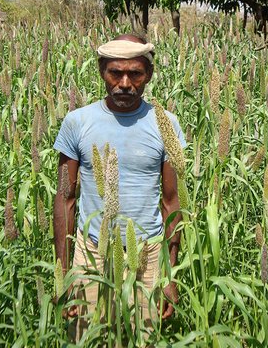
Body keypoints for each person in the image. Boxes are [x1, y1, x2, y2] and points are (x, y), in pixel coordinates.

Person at [53, 34, 185, 341]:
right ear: (101, 71)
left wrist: (169, 274)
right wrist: (64, 273)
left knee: (145, 340)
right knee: (88, 338)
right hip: (92, 253)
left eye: (135, 74)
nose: (124, 83)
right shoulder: (77, 122)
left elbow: (171, 202)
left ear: (148, 75)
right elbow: (65, 198)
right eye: (115, 72)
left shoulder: (166, 124)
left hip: (148, 254)